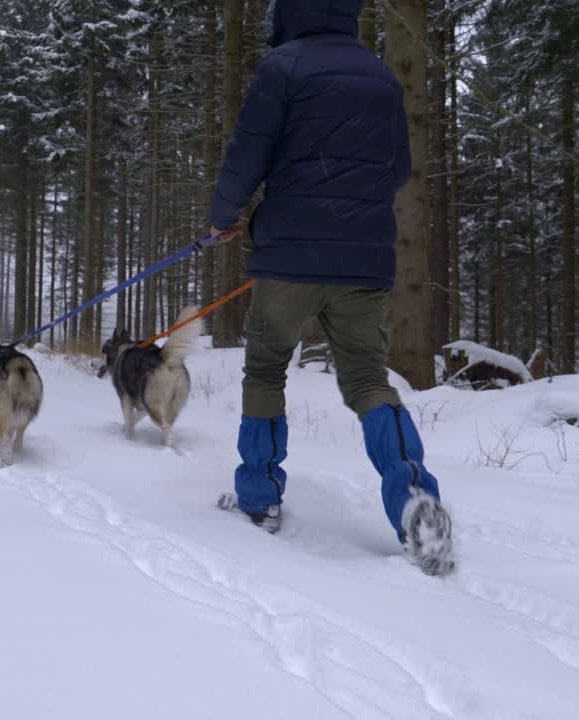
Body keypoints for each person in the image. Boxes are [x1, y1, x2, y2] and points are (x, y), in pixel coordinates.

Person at [207, 0, 454, 575]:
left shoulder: (282, 67)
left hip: (288, 257)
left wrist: (224, 216)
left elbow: (248, 153)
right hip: (364, 260)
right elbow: (396, 170)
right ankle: (416, 498)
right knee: (369, 380)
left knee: (266, 369)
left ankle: (260, 496)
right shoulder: (381, 76)